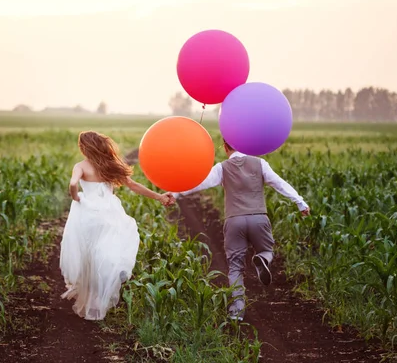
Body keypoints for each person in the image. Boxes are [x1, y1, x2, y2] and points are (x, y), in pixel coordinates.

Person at [172, 139, 310, 321]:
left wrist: (174, 193)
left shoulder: (222, 168)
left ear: (225, 146)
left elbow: (199, 183)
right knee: (267, 249)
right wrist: (300, 202)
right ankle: (262, 258)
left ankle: (237, 310)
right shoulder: (260, 163)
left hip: (234, 221)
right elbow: (279, 183)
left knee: (235, 266)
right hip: (259, 218)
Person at [60, 131, 174, 320]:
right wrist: (160, 197)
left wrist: (76, 197)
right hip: (108, 212)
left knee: (87, 252)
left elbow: (73, 184)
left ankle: (91, 294)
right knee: (106, 249)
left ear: (83, 148)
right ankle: (108, 282)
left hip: (87, 213)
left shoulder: (80, 166)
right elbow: (133, 185)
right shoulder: (110, 165)